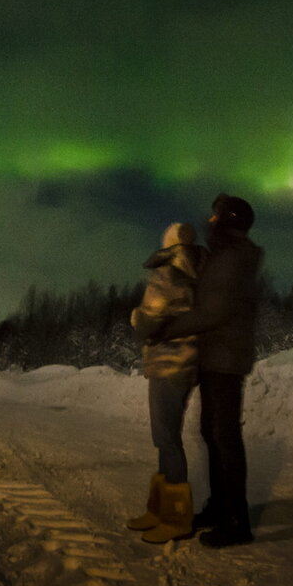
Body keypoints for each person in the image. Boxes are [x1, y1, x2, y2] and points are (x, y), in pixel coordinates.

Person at [153, 193, 262, 548]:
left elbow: (212, 312)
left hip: (225, 360)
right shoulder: (226, 256)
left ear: (228, 223)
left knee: (224, 438)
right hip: (216, 357)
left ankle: (236, 521)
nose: (209, 222)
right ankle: (219, 507)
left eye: (215, 217)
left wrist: (167, 327)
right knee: (212, 433)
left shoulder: (232, 260)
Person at [125, 222, 207, 543]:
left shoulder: (168, 273)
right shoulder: (198, 273)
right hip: (186, 363)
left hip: (168, 364)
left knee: (166, 439)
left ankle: (175, 517)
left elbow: (148, 320)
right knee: (166, 438)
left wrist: (135, 316)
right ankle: (159, 510)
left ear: (170, 243)